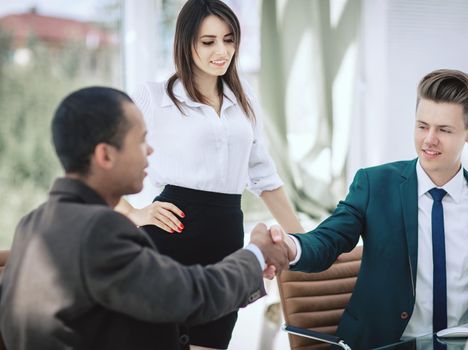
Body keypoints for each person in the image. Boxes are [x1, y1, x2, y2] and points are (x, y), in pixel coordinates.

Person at [0, 87, 290, 350]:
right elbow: (190, 297)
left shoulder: (33, 224)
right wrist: (257, 254)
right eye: (141, 141)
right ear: (105, 155)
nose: (150, 151)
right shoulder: (100, 231)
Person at [274, 69, 468, 349]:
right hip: (387, 343)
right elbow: (328, 240)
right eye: (422, 126)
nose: (429, 140)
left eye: (444, 130)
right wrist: (290, 247)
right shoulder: (374, 185)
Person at [115, 1, 303, 349]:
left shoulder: (243, 96)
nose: (222, 51)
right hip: (169, 243)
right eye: (208, 41)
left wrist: (303, 241)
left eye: (229, 39)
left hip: (226, 240)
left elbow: (264, 177)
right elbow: (99, 164)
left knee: (214, 342)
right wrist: (135, 213)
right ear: (187, 43)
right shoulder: (153, 97)